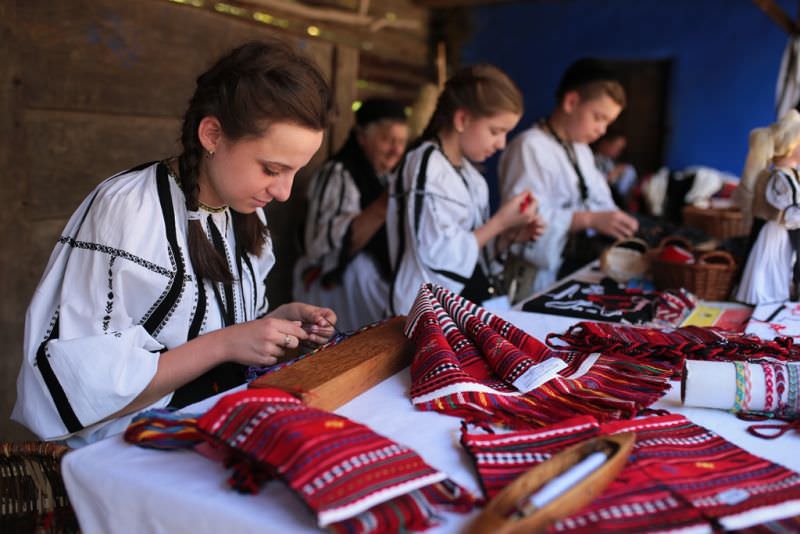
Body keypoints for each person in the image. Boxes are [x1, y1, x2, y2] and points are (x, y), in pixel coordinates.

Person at [12, 40, 338, 446]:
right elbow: (80, 382)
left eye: (295, 172)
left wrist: (271, 324)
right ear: (213, 134)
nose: (285, 192)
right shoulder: (128, 209)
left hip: (210, 430)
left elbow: (198, 325)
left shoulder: (245, 211)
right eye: (273, 169)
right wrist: (224, 344)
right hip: (125, 451)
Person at [386, 64, 544, 315]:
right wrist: (500, 223)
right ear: (462, 119)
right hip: (426, 315)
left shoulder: (473, 177)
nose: (501, 144)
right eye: (495, 131)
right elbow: (436, 258)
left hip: (464, 308)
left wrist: (508, 236)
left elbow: (473, 257)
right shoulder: (425, 164)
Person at [499, 58, 639, 298]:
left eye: (608, 122)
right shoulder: (530, 146)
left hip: (572, 274)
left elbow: (600, 204)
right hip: (534, 283)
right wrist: (587, 219)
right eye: (598, 117)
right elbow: (521, 221)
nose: (602, 130)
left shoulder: (582, 150)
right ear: (571, 102)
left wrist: (617, 222)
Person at [294, 98, 409, 331]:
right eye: (388, 140)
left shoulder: (385, 177)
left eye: (402, 142)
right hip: (330, 283)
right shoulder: (337, 174)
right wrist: (384, 205)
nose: (397, 150)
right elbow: (318, 247)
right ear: (362, 138)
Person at [734, 109, 800, 304]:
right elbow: (789, 210)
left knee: (781, 264)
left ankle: (777, 294)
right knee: (771, 264)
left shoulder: (790, 176)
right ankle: (765, 297)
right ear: (790, 147)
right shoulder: (780, 178)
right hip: (776, 230)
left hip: (784, 230)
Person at [593, 132, 638, 207]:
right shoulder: (593, 159)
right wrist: (614, 173)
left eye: (621, 149)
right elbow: (596, 184)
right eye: (616, 146)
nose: (618, 151)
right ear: (605, 143)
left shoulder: (609, 161)